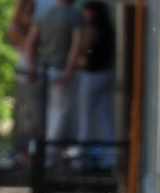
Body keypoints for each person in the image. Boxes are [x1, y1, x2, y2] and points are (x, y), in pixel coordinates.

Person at [25, 0, 83, 162]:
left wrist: (32, 69)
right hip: (60, 70)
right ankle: (49, 155)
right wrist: (68, 70)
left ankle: (46, 153)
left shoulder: (44, 15)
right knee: (60, 111)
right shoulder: (74, 15)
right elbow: (76, 45)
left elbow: (30, 43)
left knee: (49, 112)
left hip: (45, 68)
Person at [75, 1, 115, 171]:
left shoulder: (92, 29)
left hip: (91, 74)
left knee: (86, 116)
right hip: (104, 74)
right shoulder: (108, 29)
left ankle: (82, 157)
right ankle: (109, 157)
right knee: (103, 114)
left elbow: (83, 55)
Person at [7, 0, 37, 162]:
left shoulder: (27, 27)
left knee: (33, 115)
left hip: (31, 71)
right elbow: (28, 46)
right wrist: (33, 28)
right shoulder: (14, 27)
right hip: (25, 74)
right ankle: (22, 151)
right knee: (25, 115)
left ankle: (29, 150)